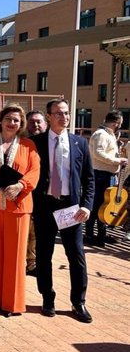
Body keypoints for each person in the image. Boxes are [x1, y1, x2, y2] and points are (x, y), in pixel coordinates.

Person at [31, 98, 95, 323]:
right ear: (48, 116)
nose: (64, 117)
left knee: (76, 255)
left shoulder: (80, 143)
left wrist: (87, 206)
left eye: (66, 113)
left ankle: (79, 302)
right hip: (45, 206)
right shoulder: (35, 143)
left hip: (71, 208)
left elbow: (89, 179)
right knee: (44, 255)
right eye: (58, 113)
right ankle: (47, 298)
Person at [0, 105, 40, 317]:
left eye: (17, 121)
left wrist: (20, 186)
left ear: (21, 125)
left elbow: (35, 171)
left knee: (15, 256)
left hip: (18, 207)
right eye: (9, 119)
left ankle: (12, 303)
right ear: (1, 121)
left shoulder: (29, 145)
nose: (13, 123)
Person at [86, 110, 126, 247]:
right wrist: (117, 161)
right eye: (120, 123)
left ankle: (100, 234)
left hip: (106, 174)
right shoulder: (100, 134)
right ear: (117, 123)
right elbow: (98, 153)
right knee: (99, 204)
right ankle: (91, 234)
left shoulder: (107, 135)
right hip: (101, 174)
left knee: (104, 204)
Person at [25, 109, 47, 276]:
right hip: (27, 192)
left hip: (47, 194)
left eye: (39, 121)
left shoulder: (50, 142)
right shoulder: (23, 143)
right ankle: (29, 262)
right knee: (29, 231)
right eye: (32, 122)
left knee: (41, 233)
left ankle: (36, 262)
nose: (36, 125)